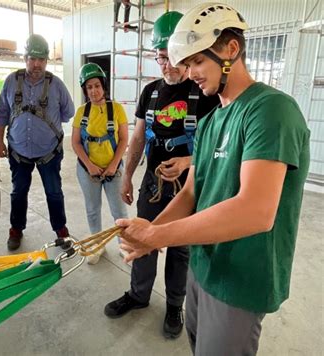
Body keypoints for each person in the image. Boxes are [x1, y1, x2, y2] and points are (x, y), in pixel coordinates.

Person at [119, 3, 310, 355]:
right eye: (187, 63)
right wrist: (148, 234)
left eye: (197, 61)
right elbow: (192, 192)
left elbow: (255, 210)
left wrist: (156, 235)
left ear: (231, 50)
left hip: (240, 280)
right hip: (204, 267)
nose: (190, 72)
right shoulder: (210, 122)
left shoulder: (269, 110)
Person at [103, 11, 220, 340]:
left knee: (179, 246)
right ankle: (139, 295)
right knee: (143, 236)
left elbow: (215, 148)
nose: (166, 65)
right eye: (159, 58)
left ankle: (173, 304)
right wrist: (126, 177)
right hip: (153, 184)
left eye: (171, 58)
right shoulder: (151, 93)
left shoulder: (206, 95)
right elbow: (138, 137)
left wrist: (186, 162)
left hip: (189, 185)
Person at [0, 34, 75, 251]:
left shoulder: (56, 85)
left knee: (54, 192)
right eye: (32, 58)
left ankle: (61, 229)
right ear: (25, 58)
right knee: (18, 192)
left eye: (41, 59)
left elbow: (68, 113)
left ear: (47, 61)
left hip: (48, 152)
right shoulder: (11, 81)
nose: (37, 63)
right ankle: (16, 229)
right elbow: (2, 112)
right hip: (18, 151)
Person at [71, 63, 129, 264]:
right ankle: (97, 245)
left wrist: (113, 165)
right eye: (89, 87)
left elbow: (123, 140)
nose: (94, 91)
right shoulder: (81, 112)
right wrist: (89, 166)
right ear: (85, 90)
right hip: (88, 169)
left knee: (119, 210)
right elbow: (76, 142)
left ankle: (125, 245)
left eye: (97, 85)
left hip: (113, 169)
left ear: (103, 86)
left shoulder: (117, 109)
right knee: (92, 208)